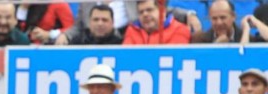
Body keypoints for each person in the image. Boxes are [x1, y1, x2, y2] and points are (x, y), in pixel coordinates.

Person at [69, 0, 201, 37]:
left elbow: (157, 8)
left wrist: (189, 14)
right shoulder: (86, 2)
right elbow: (78, 25)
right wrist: (65, 35)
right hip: (93, 39)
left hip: (124, 35)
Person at [122, 0, 191, 44]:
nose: (145, 14)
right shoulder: (132, 30)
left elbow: (173, 56)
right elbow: (126, 56)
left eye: (149, 10)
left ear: (163, 11)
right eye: (141, 12)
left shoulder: (179, 29)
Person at [56, 4, 123, 45]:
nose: (100, 23)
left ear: (112, 23)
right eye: (96, 19)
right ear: (89, 22)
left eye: (104, 20)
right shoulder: (77, 42)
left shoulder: (122, 44)